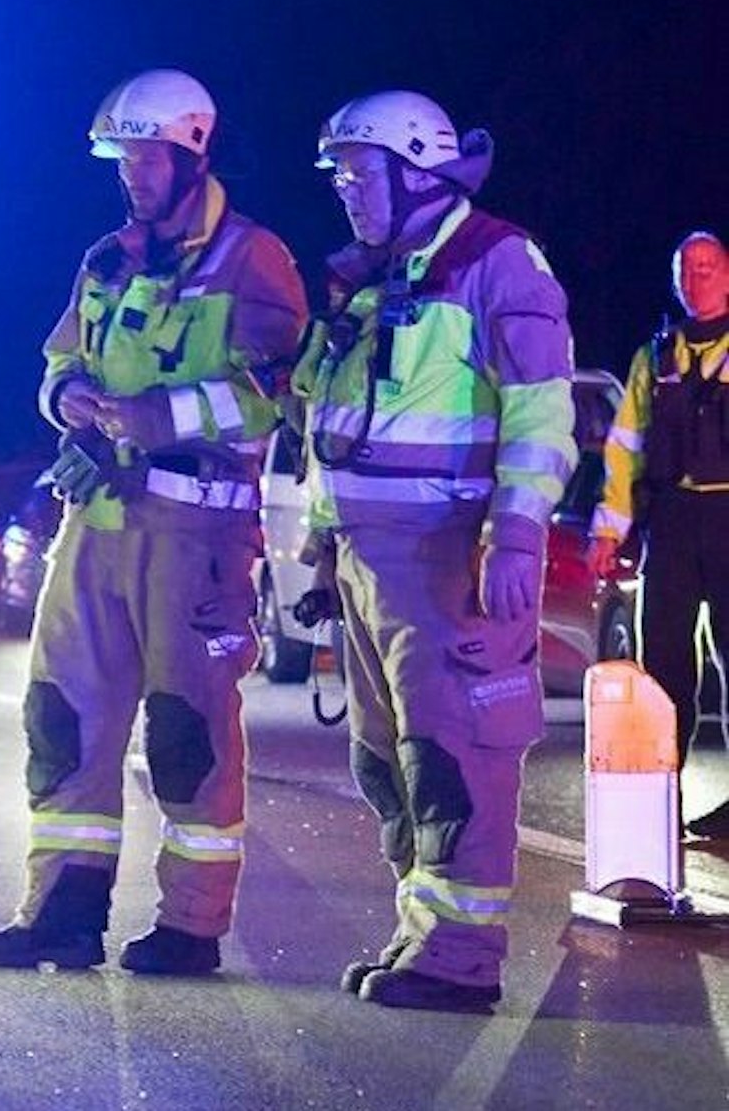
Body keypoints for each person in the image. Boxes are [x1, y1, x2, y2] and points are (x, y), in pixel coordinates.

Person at [0, 69, 308, 977]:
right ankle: (62, 915)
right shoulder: (108, 259)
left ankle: (191, 926)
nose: (133, 175)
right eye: (123, 159)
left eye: (148, 158)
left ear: (193, 155)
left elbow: (273, 390)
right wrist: (67, 396)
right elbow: (57, 359)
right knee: (63, 718)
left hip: (196, 536)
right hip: (97, 521)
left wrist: (157, 417)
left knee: (188, 732)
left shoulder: (253, 259)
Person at [292, 91, 577, 1012]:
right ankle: (421, 934)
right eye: (338, 174)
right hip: (369, 562)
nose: (344, 189)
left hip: (449, 558)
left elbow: (541, 414)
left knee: (453, 759)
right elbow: (333, 424)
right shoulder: (373, 279)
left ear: (416, 170)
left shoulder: (498, 263)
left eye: (358, 172)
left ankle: (459, 957)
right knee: (389, 762)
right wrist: (321, 541)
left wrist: (517, 533)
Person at [587, 232, 729, 839]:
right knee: (664, 667)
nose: (697, 279)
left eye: (708, 267)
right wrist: (608, 531)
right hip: (671, 523)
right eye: (686, 270)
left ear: (728, 276)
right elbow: (624, 448)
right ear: (675, 282)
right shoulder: (655, 356)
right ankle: (660, 802)